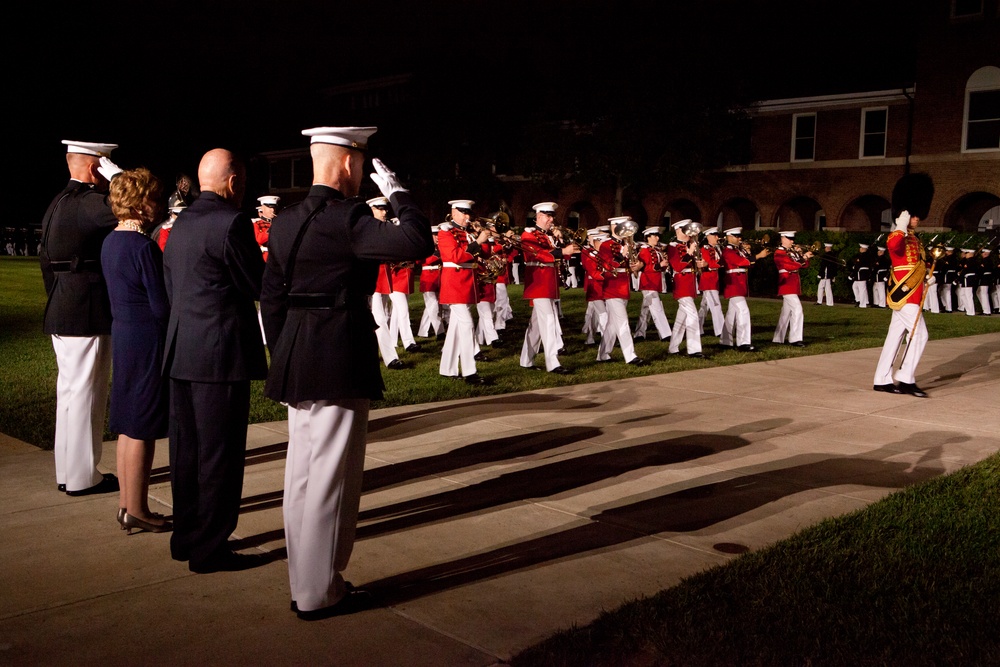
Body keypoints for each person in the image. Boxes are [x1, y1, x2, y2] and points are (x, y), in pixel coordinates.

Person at [260, 126, 432, 620]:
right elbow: (416, 239)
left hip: (297, 350)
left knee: (302, 474)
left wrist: (284, 348)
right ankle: (320, 591)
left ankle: (304, 583)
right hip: (337, 349)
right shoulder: (349, 215)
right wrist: (398, 194)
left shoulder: (287, 220)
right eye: (359, 164)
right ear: (348, 165)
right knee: (333, 478)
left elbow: (272, 295)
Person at [162, 148, 268, 573]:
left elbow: (172, 281)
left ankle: (186, 536)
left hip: (182, 350)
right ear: (232, 183)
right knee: (219, 456)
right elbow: (254, 283)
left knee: (186, 453)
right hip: (219, 355)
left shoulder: (182, 221)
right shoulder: (233, 222)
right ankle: (210, 548)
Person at [40, 140, 122, 496]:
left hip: (62, 304)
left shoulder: (57, 203)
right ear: (95, 168)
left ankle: (68, 471)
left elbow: (46, 262)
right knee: (87, 394)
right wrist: (119, 177)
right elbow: (137, 205)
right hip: (85, 308)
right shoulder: (89, 204)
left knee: (71, 394)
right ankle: (83, 477)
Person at [101, 168, 172, 534]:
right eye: (155, 198)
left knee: (128, 424)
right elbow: (161, 307)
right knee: (142, 425)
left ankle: (127, 505)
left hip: (124, 334)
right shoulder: (143, 247)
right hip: (146, 338)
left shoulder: (110, 242)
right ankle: (140, 508)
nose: (159, 205)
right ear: (141, 202)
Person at [874, 173, 936, 398]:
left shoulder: (915, 239)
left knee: (894, 337)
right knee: (920, 334)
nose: (918, 218)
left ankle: (881, 379)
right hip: (904, 294)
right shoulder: (897, 235)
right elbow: (894, 246)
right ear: (905, 214)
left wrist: (927, 277)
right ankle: (906, 378)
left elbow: (917, 263)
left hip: (913, 292)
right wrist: (899, 225)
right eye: (914, 215)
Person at [520, 202, 577, 374]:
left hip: (549, 282)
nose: (551, 220)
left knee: (537, 324)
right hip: (538, 282)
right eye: (547, 216)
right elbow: (536, 254)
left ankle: (526, 360)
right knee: (548, 321)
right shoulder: (528, 234)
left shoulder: (549, 236)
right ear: (537, 216)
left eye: (552, 216)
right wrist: (561, 251)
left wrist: (562, 246)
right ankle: (553, 362)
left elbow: (558, 257)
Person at [439, 200, 489, 383]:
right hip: (454, 283)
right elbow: (455, 256)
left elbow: (486, 253)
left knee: (455, 328)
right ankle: (469, 372)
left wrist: (484, 237)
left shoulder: (468, 233)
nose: (468, 217)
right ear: (453, 213)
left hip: (467, 282)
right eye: (463, 213)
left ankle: (447, 368)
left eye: (469, 213)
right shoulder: (446, 232)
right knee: (467, 325)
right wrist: (477, 242)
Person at [597, 217, 646, 365]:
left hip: (623, 284)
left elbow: (633, 263)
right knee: (623, 321)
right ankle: (630, 356)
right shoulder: (606, 244)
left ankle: (603, 354)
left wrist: (638, 265)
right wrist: (621, 255)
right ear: (614, 227)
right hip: (612, 286)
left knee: (613, 324)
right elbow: (606, 265)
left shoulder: (627, 244)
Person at [720, 227, 769, 352]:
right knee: (743, 311)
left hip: (739, 283)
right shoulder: (728, 251)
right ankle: (743, 342)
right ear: (729, 237)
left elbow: (748, 264)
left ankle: (725, 340)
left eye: (739, 236)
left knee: (732, 314)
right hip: (733, 284)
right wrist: (758, 256)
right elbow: (741, 262)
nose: (739, 238)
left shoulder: (738, 250)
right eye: (736, 236)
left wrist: (749, 253)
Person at [666, 220, 706, 358]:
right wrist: (689, 253)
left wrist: (702, 264)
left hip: (690, 281)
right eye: (685, 230)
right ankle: (694, 349)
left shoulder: (691, 245)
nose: (689, 233)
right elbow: (677, 266)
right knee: (693, 315)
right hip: (681, 281)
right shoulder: (672, 246)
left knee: (681, 319)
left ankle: (673, 347)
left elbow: (697, 264)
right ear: (678, 231)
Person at [771, 230, 812, 347]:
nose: (792, 241)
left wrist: (803, 256)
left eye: (792, 239)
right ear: (783, 239)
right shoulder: (779, 252)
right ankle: (795, 339)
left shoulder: (791, 251)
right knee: (797, 309)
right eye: (789, 239)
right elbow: (789, 266)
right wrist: (803, 258)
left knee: (786, 313)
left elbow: (804, 266)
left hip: (793, 283)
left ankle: (778, 338)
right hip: (786, 283)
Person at [633, 226, 671, 342]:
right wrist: (659, 265)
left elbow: (659, 267)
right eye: (654, 235)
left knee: (646, 309)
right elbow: (643, 267)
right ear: (648, 238)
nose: (657, 238)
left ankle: (639, 333)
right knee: (657, 307)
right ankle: (665, 334)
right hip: (648, 282)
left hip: (655, 282)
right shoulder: (644, 250)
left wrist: (664, 266)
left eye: (657, 235)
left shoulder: (657, 250)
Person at [416, 225, 444, 339]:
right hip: (428, 278)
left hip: (438, 277)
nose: (437, 237)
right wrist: (436, 256)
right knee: (433, 306)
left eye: (438, 234)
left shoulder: (439, 247)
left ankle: (422, 331)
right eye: (435, 234)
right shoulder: (424, 246)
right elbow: (420, 261)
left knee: (430, 307)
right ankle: (440, 331)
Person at [697, 227, 725, 336]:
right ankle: (721, 331)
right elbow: (710, 263)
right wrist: (723, 262)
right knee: (715, 305)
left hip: (714, 279)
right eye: (715, 235)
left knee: (704, 306)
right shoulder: (705, 249)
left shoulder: (718, 248)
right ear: (708, 236)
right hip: (708, 280)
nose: (717, 237)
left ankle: (698, 327)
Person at [254, 195, 280, 262]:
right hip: (264, 258)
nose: (273, 210)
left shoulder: (278, 222)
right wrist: (273, 227)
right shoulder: (257, 224)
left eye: (274, 207)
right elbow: (259, 239)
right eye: (270, 207)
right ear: (262, 208)